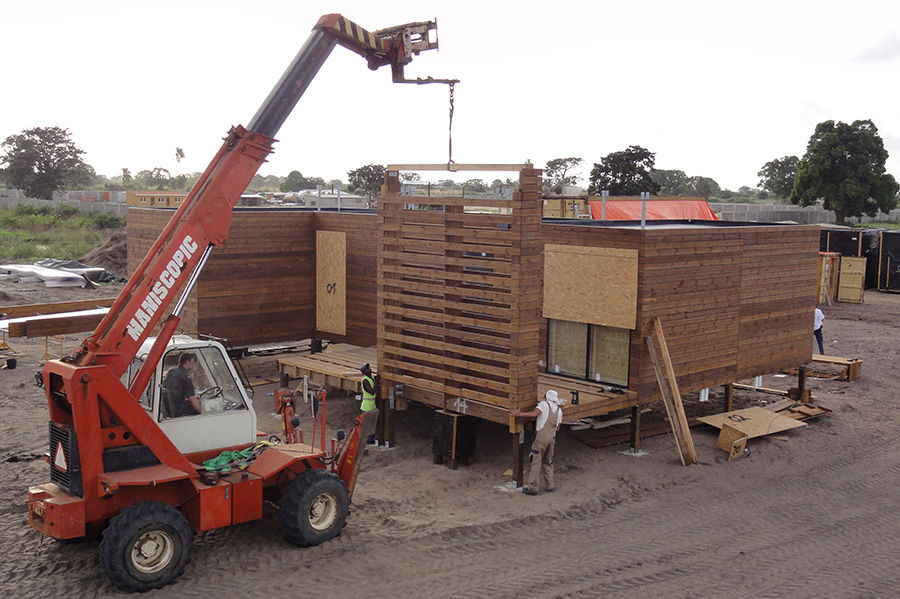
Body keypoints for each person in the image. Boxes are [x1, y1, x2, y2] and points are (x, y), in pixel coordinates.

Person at [513, 389, 565, 495]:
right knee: (548, 461)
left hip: (541, 437)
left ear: (547, 397)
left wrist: (520, 414)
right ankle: (550, 485)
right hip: (552, 438)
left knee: (536, 461)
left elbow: (535, 413)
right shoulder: (559, 411)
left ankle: (533, 487)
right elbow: (558, 427)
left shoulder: (544, 404)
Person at [161, 353, 202, 417]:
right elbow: (192, 398)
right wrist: (202, 412)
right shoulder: (186, 376)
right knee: (197, 406)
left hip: (167, 407)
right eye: (193, 362)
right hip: (177, 408)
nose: (194, 365)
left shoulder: (171, 371)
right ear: (187, 362)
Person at [360, 363, 377, 444]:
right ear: (364, 372)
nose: (369, 369)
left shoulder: (372, 377)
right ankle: (368, 440)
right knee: (368, 423)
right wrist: (377, 382)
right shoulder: (365, 381)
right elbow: (372, 392)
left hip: (372, 404)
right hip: (367, 405)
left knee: (372, 422)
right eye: (367, 368)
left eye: (369, 367)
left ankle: (370, 439)